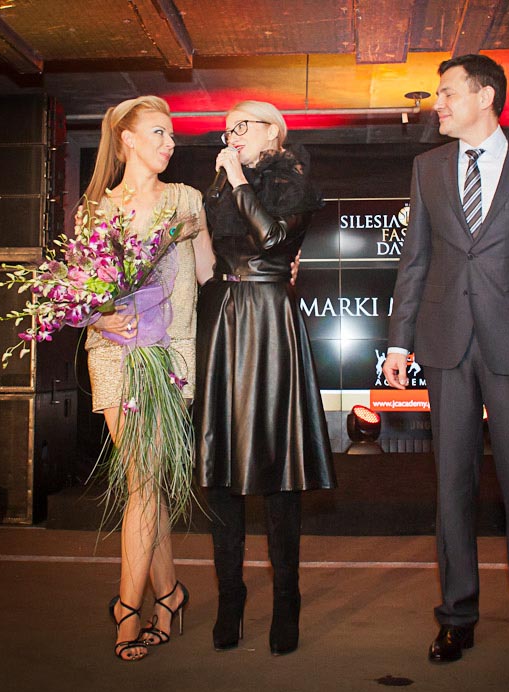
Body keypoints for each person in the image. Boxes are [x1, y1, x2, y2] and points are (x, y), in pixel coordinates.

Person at [383, 55, 509, 672]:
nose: (436, 104)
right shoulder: (428, 168)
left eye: (446, 93)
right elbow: (415, 260)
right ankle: (456, 618)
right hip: (446, 344)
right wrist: (398, 342)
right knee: (452, 487)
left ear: (485, 96)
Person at [194, 100, 336, 656]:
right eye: (226, 128)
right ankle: (230, 599)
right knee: (221, 467)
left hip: (271, 320)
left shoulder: (292, 181)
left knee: (278, 470)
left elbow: (273, 240)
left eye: (242, 125)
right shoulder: (218, 188)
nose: (230, 134)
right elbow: (208, 258)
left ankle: (286, 600)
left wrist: (235, 179)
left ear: (273, 131)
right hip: (222, 320)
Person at [83, 95, 215, 661]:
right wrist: (100, 315)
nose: (170, 143)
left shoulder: (187, 199)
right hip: (113, 354)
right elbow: (82, 293)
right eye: (159, 133)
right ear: (128, 140)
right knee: (146, 483)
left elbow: (208, 274)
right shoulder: (96, 210)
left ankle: (127, 607)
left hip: (169, 354)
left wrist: (265, 266)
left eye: (172, 135)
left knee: (144, 481)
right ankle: (167, 595)